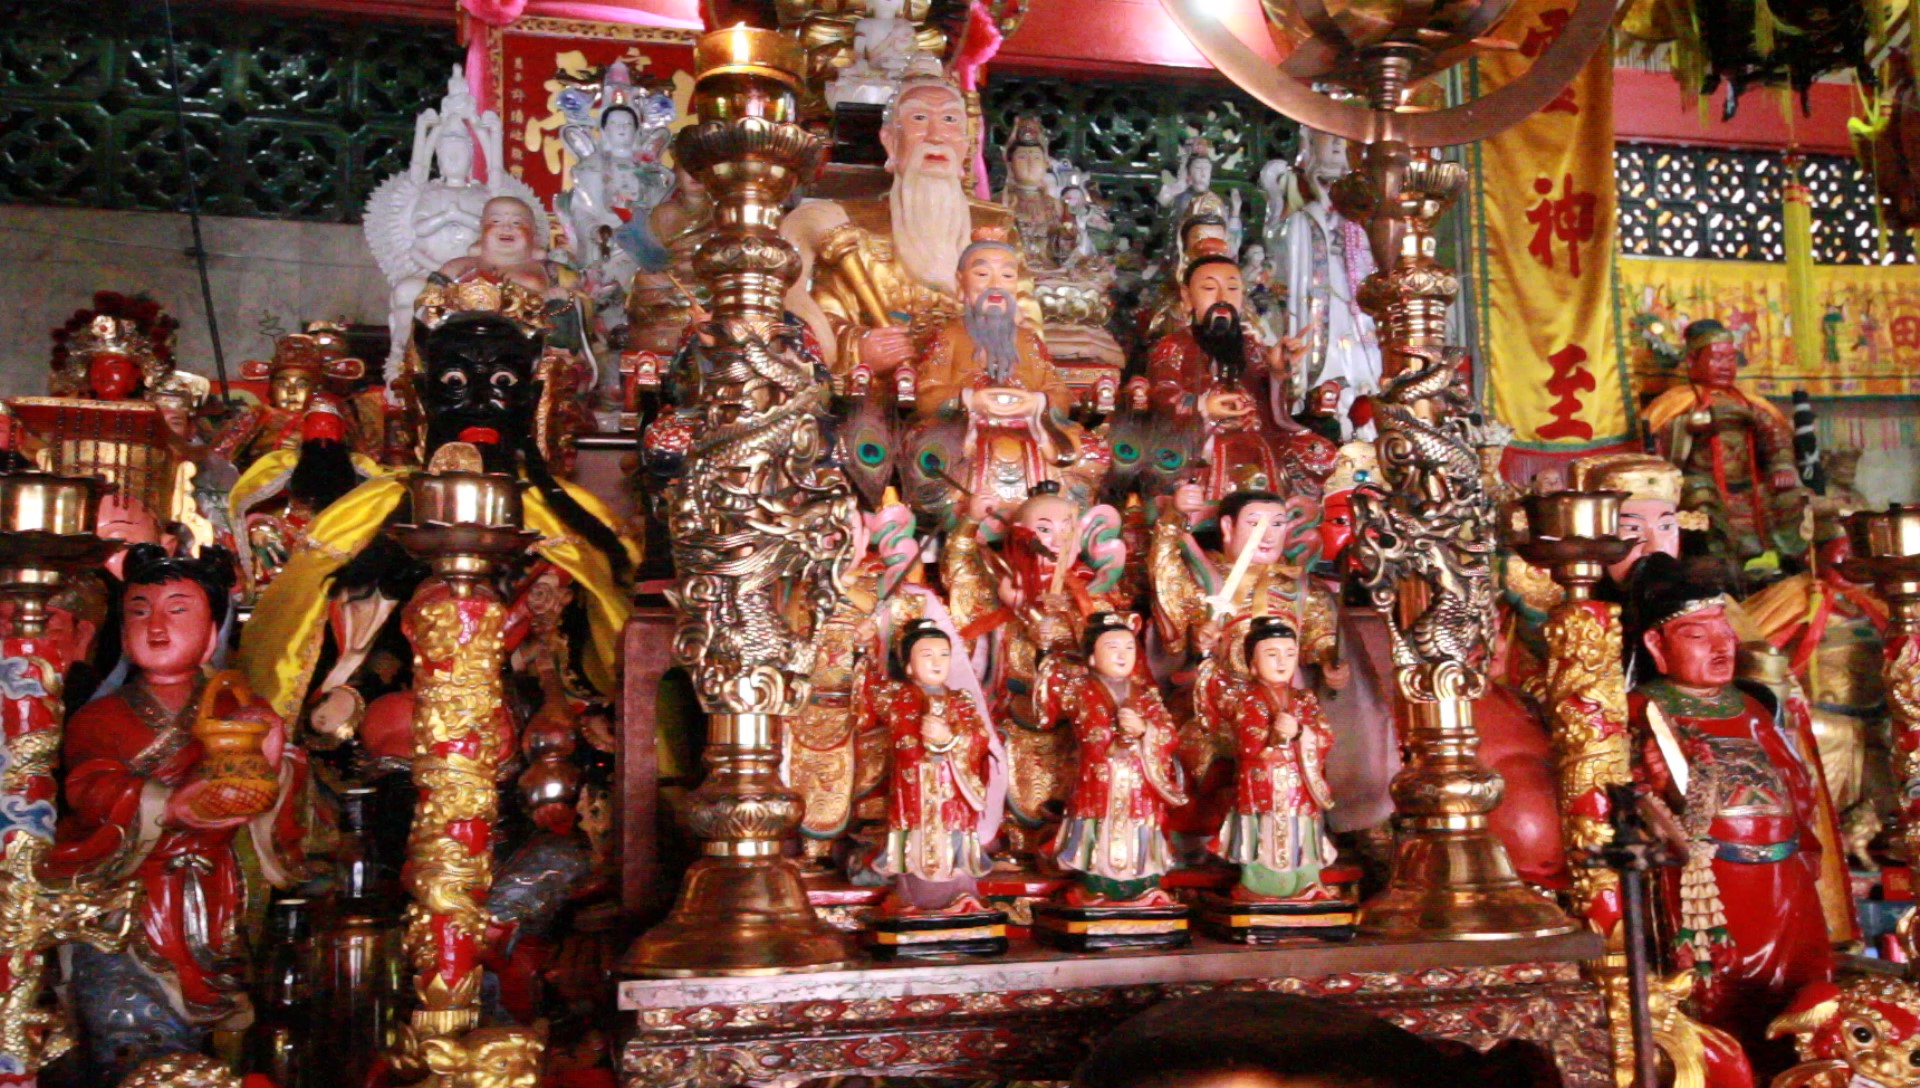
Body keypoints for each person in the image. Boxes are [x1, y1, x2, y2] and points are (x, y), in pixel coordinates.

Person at [46, 546, 307, 1081]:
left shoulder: (238, 709)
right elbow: (87, 787)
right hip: (125, 895)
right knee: (121, 1015)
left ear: (214, 632)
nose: (157, 627)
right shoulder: (101, 717)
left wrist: (278, 758)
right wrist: (167, 803)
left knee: (219, 1023)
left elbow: (282, 809)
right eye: (140, 611)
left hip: (212, 897)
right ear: (122, 630)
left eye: (178, 610)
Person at [1629, 562, 1833, 1073]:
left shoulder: (1750, 706)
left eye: (1725, 632)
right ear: (1657, 645)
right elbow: (1617, 803)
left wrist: (1804, 855)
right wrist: (1652, 792)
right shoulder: (1641, 708)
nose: (1721, 647)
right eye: (1698, 635)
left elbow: (1797, 784)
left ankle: (1798, 1075)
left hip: (1783, 877)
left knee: (1798, 990)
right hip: (1711, 879)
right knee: (1718, 993)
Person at [783, 66, 1026, 377]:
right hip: (876, 396)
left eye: (950, 120)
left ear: (966, 145)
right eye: (919, 119)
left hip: (975, 388)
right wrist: (859, 346)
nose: (936, 136)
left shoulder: (996, 226)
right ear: (890, 142)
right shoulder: (848, 226)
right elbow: (821, 316)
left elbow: (1027, 322)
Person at [1040, 612, 1187, 905]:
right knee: (1098, 836)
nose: (1122, 655)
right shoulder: (1080, 690)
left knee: (1139, 834)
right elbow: (1048, 705)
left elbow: (1170, 735)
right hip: (1099, 780)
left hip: (1138, 783)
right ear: (1092, 657)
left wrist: (1145, 729)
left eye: (1129, 648)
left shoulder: (1146, 696)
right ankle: (1097, 886)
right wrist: (1044, 648)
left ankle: (1143, 886)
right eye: (1112, 648)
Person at [861, 619, 996, 912]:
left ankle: (959, 894)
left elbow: (979, 738)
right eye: (927, 655)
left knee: (954, 843)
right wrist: (864, 645)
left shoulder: (961, 699)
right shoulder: (896, 697)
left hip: (954, 791)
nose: (937, 662)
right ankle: (914, 896)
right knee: (915, 845)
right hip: (915, 789)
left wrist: (951, 739)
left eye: (943, 655)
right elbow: (864, 696)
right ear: (908, 666)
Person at [1644, 320, 1801, 564]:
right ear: (1692, 361)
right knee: (1699, 499)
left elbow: (1776, 438)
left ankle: (1785, 561)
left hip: (1749, 484)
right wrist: (1688, 426)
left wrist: (1782, 466)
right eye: (1717, 358)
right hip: (1700, 482)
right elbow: (1653, 448)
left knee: (1792, 499)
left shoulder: (1749, 402)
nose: (1726, 366)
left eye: (1730, 359)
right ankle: (1713, 563)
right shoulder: (1676, 403)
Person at [1216, 617, 1338, 901]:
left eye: (1290, 654)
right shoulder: (1247, 698)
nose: (1282, 662)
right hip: (1263, 783)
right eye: (1272, 654)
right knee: (1263, 834)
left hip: (1299, 783)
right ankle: (1259, 886)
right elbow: (1246, 741)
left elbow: (1325, 735)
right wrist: (1271, 738)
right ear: (1253, 663)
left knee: (1303, 832)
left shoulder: (1304, 699)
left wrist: (1300, 733)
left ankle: (1306, 882)